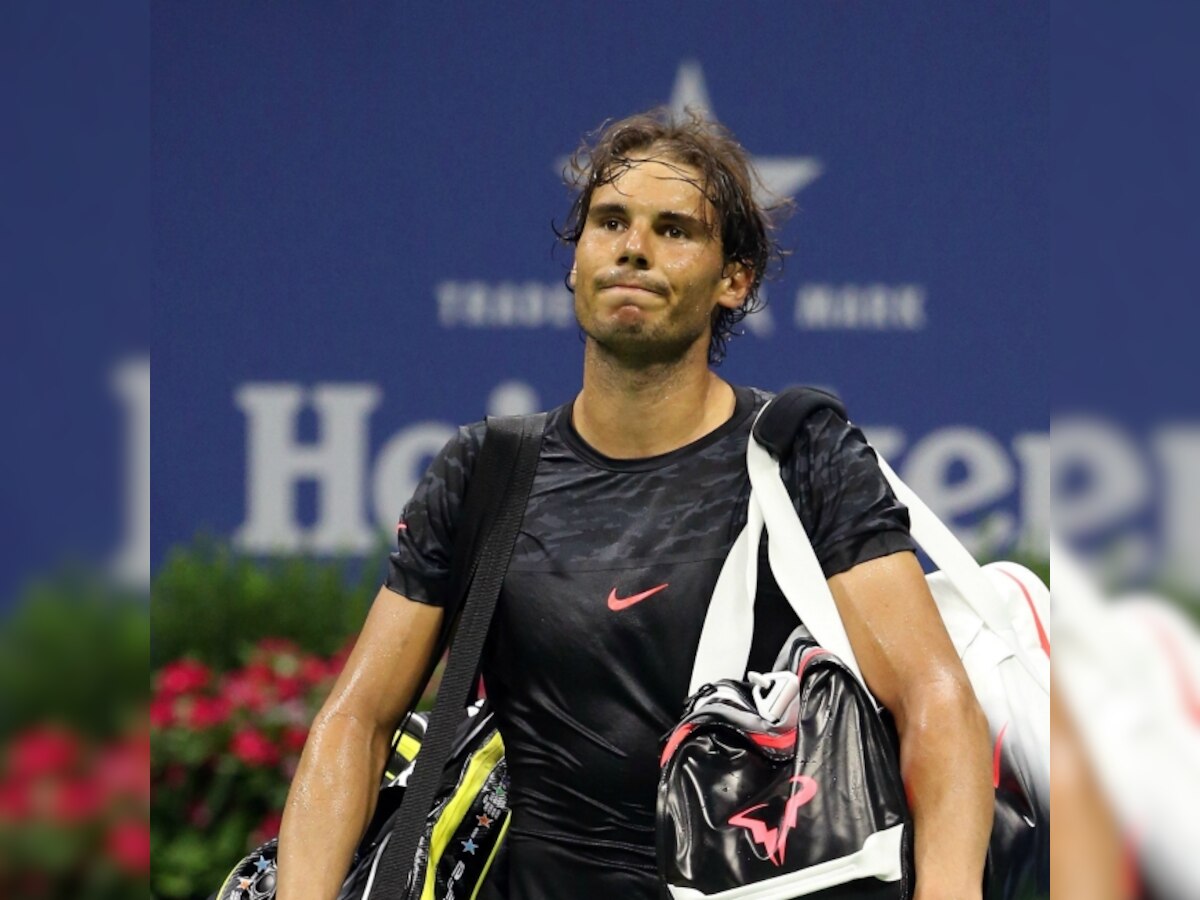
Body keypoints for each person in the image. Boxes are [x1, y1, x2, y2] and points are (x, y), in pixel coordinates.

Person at [277, 109, 992, 900]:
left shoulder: (802, 455)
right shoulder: (483, 470)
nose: (633, 248)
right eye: (610, 221)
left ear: (735, 279)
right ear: (575, 259)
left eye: (674, 229)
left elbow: (934, 699)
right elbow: (356, 721)